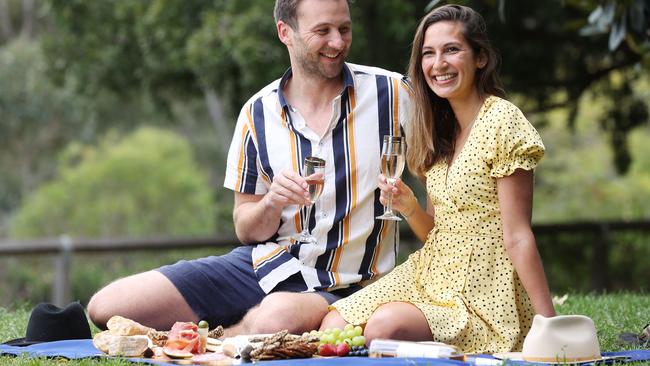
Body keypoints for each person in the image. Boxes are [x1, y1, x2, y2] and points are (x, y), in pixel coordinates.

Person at [87, 0, 411, 336]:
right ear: (286, 32)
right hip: (266, 265)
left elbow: (447, 168)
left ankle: (215, 342)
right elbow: (245, 227)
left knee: (274, 319)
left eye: (344, 29)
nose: (338, 42)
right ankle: (226, 333)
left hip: (349, 286)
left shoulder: (393, 94)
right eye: (323, 31)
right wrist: (272, 202)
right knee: (107, 306)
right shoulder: (257, 113)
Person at [321, 4, 556, 353]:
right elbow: (437, 231)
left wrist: (550, 325)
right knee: (333, 324)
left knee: (384, 327)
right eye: (428, 54)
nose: (438, 64)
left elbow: (518, 235)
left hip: (483, 290)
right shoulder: (438, 128)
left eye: (452, 50)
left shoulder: (503, 121)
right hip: (431, 273)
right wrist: (409, 207)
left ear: (480, 58)